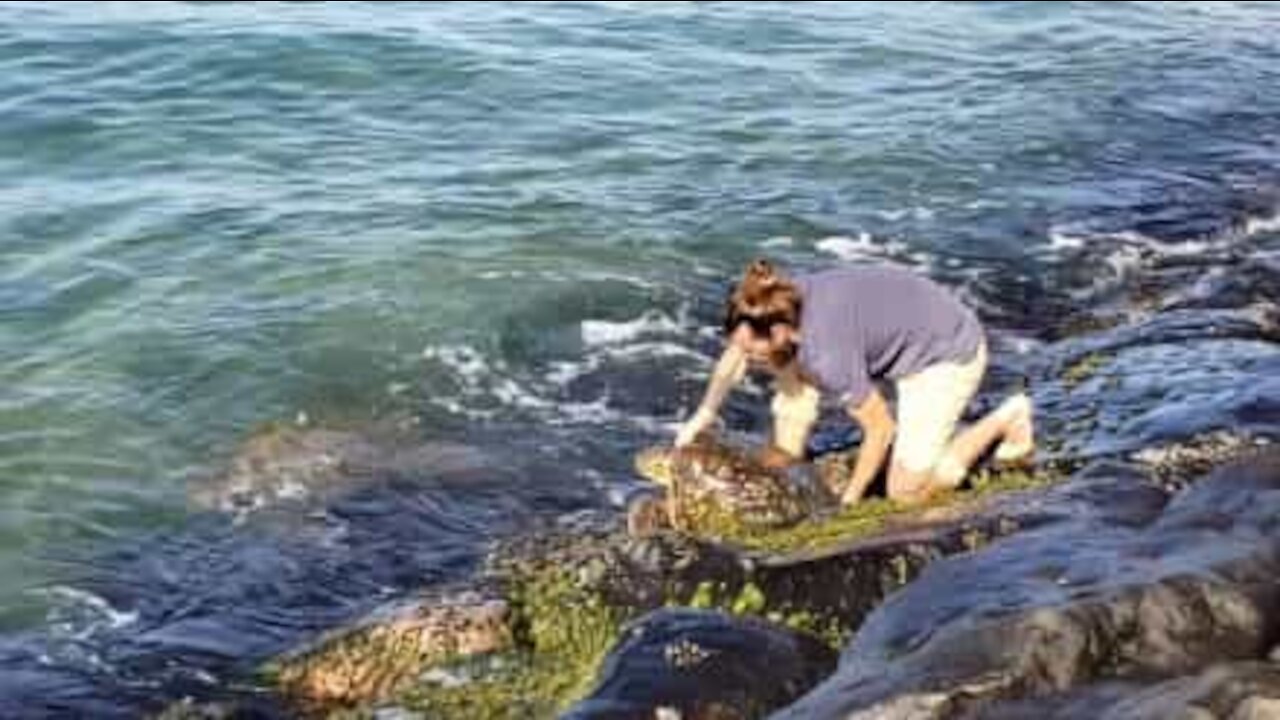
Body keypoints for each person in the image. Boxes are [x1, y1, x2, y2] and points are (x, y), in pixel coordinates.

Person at [674, 259, 1034, 506]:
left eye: (752, 349)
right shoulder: (778, 301)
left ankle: (1007, 418)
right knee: (778, 361)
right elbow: (738, 350)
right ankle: (788, 458)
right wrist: (704, 414)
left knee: (907, 493)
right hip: (914, 323)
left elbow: (880, 430)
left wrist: (849, 500)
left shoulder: (826, 354)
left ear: (780, 330)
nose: (745, 355)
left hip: (945, 354)